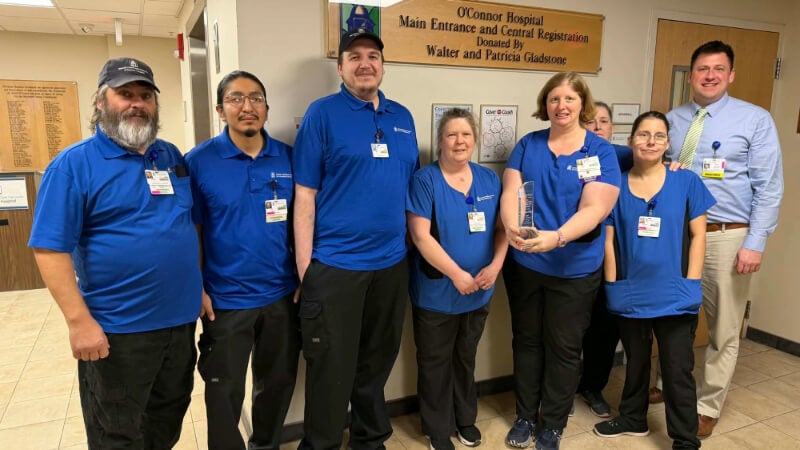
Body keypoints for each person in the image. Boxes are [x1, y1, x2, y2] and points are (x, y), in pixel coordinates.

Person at [28, 57, 201, 448]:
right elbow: (49, 248)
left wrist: (199, 287)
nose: (136, 104)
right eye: (125, 94)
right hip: (118, 331)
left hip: (179, 324)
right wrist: (78, 322)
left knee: (166, 417)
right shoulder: (74, 165)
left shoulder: (170, 157)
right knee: (117, 432)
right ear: (100, 102)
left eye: (145, 96)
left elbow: (183, 227)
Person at [292, 29, 420, 450]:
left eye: (373, 56)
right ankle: (322, 444)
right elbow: (305, 195)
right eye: (354, 56)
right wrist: (307, 269)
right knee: (331, 368)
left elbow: (408, 190)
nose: (365, 63)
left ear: (383, 64)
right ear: (341, 67)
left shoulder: (402, 117)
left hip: (390, 265)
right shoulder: (322, 114)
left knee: (376, 363)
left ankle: (369, 440)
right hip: (335, 266)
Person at [662, 40, 784, 439]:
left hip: (726, 235)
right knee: (671, 318)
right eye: (702, 69)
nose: (710, 75)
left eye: (718, 69)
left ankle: (707, 405)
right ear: (691, 73)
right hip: (676, 235)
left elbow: (769, 187)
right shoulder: (672, 120)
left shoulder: (755, 120)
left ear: (730, 75)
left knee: (723, 328)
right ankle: (666, 384)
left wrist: (756, 242)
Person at [501, 72, 621, 450]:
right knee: (527, 341)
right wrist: (514, 228)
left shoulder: (599, 152)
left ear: (582, 103)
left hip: (575, 268)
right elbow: (513, 190)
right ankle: (524, 416)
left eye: (569, 99)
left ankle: (552, 424)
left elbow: (596, 207)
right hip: (528, 266)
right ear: (545, 104)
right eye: (554, 99)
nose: (562, 106)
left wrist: (556, 238)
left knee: (565, 347)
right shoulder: (529, 144)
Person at [184, 70, 300, 450]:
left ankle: (265, 445)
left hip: (282, 297)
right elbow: (193, 232)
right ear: (220, 110)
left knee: (277, 383)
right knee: (223, 394)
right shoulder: (198, 162)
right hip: (225, 301)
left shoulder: (288, 157)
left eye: (256, 98)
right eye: (236, 99)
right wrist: (198, 287)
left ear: (267, 108)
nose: (247, 106)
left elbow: (304, 220)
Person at [593, 111, 715, 450]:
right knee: (636, 362)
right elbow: (608, 241)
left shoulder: (687, 181)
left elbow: (698, 236)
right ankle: (632, 418)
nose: (650, 141)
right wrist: (612, 285)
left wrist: (692, 281)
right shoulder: (614, 185)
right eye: (643, 135)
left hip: (676, 292)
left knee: (677, 369)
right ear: (631, 140)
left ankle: (685, 439)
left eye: (658, 136)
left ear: (668, 143)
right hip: (631, 291)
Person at [406, 108, 507, 450]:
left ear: (475, 139)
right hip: (437, 292)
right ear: (439, 142)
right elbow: (420, 236)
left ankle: (465, 419)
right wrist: (457, 275)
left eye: (465, 134)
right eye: (451, 134)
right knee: (434, 362)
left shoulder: (489, 180)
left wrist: (495, 267)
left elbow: (501, 229)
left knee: (465, 358)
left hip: (478, 292)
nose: (459, 141)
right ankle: (437, 428)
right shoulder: (425, 181)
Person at [576, 101, 634, 417]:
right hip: (577, 254)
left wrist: (674, 165)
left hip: (615, 256)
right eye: (591, 120)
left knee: (605, 327)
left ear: (613, 128)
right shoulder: (571, 156)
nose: (598, 126)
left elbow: (657, 165)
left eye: (604, 120)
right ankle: (562, 388)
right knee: (571, 327)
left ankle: (593, 386)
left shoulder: (625, 157)